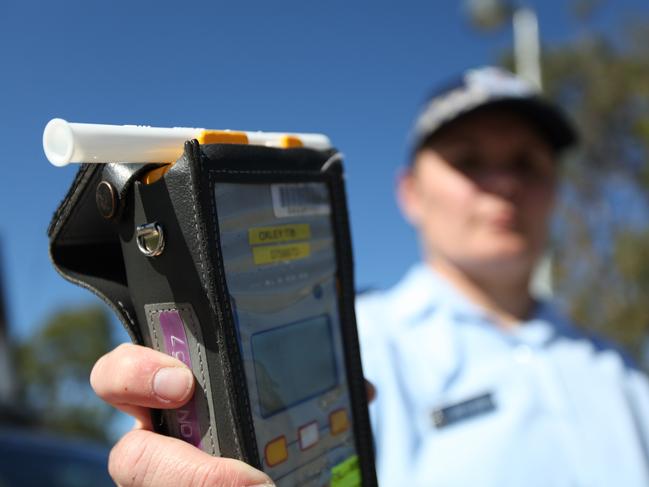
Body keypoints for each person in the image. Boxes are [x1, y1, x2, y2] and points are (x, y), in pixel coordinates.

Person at [89, 67, 649, 487]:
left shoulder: (621, 372)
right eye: (469, 161)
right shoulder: (358, 343)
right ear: (410, 193)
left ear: (555, 189)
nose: (503, 182)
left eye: (527, 162)